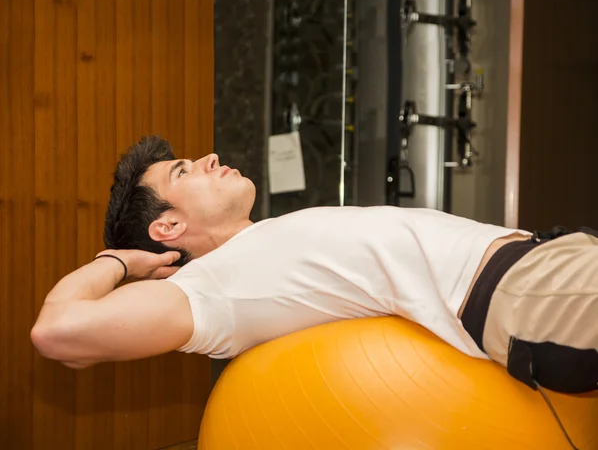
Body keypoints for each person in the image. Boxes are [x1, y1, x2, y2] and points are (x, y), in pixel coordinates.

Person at [31, 135, 598, 395]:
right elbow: (60, 334)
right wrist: (121, 262)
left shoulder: (263, 246)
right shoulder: (208, 289)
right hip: (529, 298)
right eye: (184, 172)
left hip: (546, 263)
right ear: (168, 229)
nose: (208, 157)